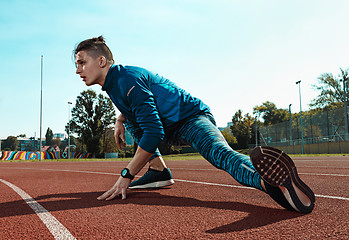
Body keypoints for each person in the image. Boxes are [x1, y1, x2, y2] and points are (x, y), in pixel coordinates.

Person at [74, 36, 315, 214]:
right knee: (136, 122)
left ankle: (269, 182)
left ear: (102, 60)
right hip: (171, 127)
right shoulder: (114, 83)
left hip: (191, 118)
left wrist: (127, 174)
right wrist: (119, 119)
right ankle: (159, 172)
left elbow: (154, 131)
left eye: (82, 63)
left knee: (218, 154)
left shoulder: (128, 80)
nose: (78, 70)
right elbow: (137, 108)